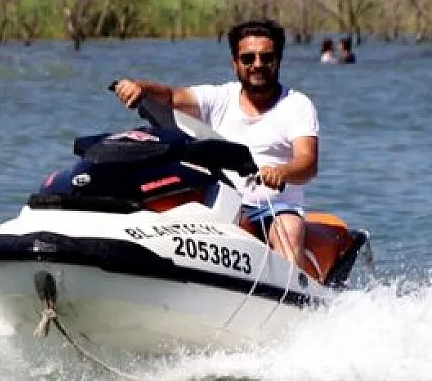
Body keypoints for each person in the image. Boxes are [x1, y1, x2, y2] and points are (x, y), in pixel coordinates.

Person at [113, 19, 319, 269]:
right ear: (235, 63)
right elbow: (170, 96)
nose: (257, 65)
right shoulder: (219, 98)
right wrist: (139, 87)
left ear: (278, 61)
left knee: (289, 228)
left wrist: (280, 172)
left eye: (267, 58)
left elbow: (307, 163)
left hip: (275, 209)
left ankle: (291, 300)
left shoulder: (297, 105)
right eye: (248, 58)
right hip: (223, 202)